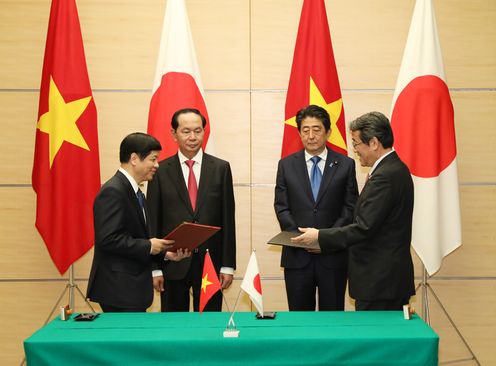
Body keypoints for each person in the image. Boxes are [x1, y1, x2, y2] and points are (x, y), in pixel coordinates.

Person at [292, 111, 415, 311]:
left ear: (374, 143)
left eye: (356, 143)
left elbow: (363, 228)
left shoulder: (386, 176)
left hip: (380, 281)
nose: (355, 150)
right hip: (383, 281)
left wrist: (320, 236)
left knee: (375, 340)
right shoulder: (392, 170)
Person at [87, 132, 190, 312]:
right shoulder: (113, 191)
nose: (157, 165)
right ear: (134, 159)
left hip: (130, 289)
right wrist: (149, 246)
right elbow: (108, 240)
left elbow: (135, 237)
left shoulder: (135, 192)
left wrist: (165, 254)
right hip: (119, 290)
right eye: (153, 159)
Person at [147, 108, 236, 312]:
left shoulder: (221, 169)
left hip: (210, 264)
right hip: (173, 263)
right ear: (174, 134)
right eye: (186, 131)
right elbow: (153, 220)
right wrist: (155, 268)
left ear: (205, 132)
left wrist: (227, 265)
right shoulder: (159, 171)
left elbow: (227, 219)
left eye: (198, 131)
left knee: (210, 327)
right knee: (174, 328)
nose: (193, 137)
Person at [274, 104, 358, 311]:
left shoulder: (346, 164)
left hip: (332, 255)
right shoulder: (286, 164)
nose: (311, 135)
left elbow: (350, 207)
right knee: (299, 320)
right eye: (305, 130)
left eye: (317, 129)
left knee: (332, 319)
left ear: (328, 132)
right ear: (299, 133)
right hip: (297, 255)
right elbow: (281, 206)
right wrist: (302, 239)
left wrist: (324, 238)